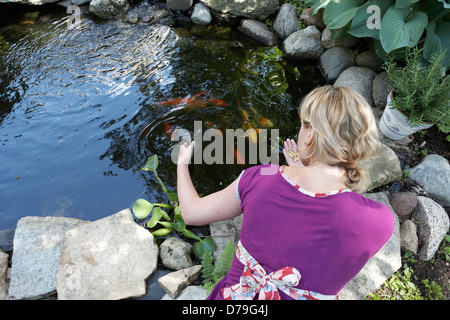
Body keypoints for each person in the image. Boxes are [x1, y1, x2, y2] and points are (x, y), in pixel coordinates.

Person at [176, 85, 395, 300]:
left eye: (302, 125)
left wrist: (182, 163)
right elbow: (313, 225)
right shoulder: (380, 221)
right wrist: (303, 170)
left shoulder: (261, 176)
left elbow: (192, 213)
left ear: (310, 134)